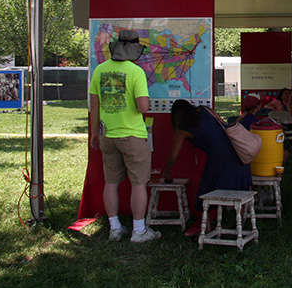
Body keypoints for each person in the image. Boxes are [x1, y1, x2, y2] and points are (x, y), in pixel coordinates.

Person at [89, 30, 160, 243]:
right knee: (138, 183)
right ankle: (139, 231)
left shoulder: (100, 70)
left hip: (107, 135)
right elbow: (142, 106)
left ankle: (115, 228)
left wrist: (94, 133)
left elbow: (94, 104)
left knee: (111, 182)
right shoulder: (136, 72)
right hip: (133, 136)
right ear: (134, 51)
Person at [163, 99, 252, 234]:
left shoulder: (182, 130)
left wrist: (167, 172)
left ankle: (206, 227)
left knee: (205, 192)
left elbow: (173, 157)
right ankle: (241, 221)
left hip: (219, 160)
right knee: (240, 187)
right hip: (238, 153)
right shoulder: (205, 110)